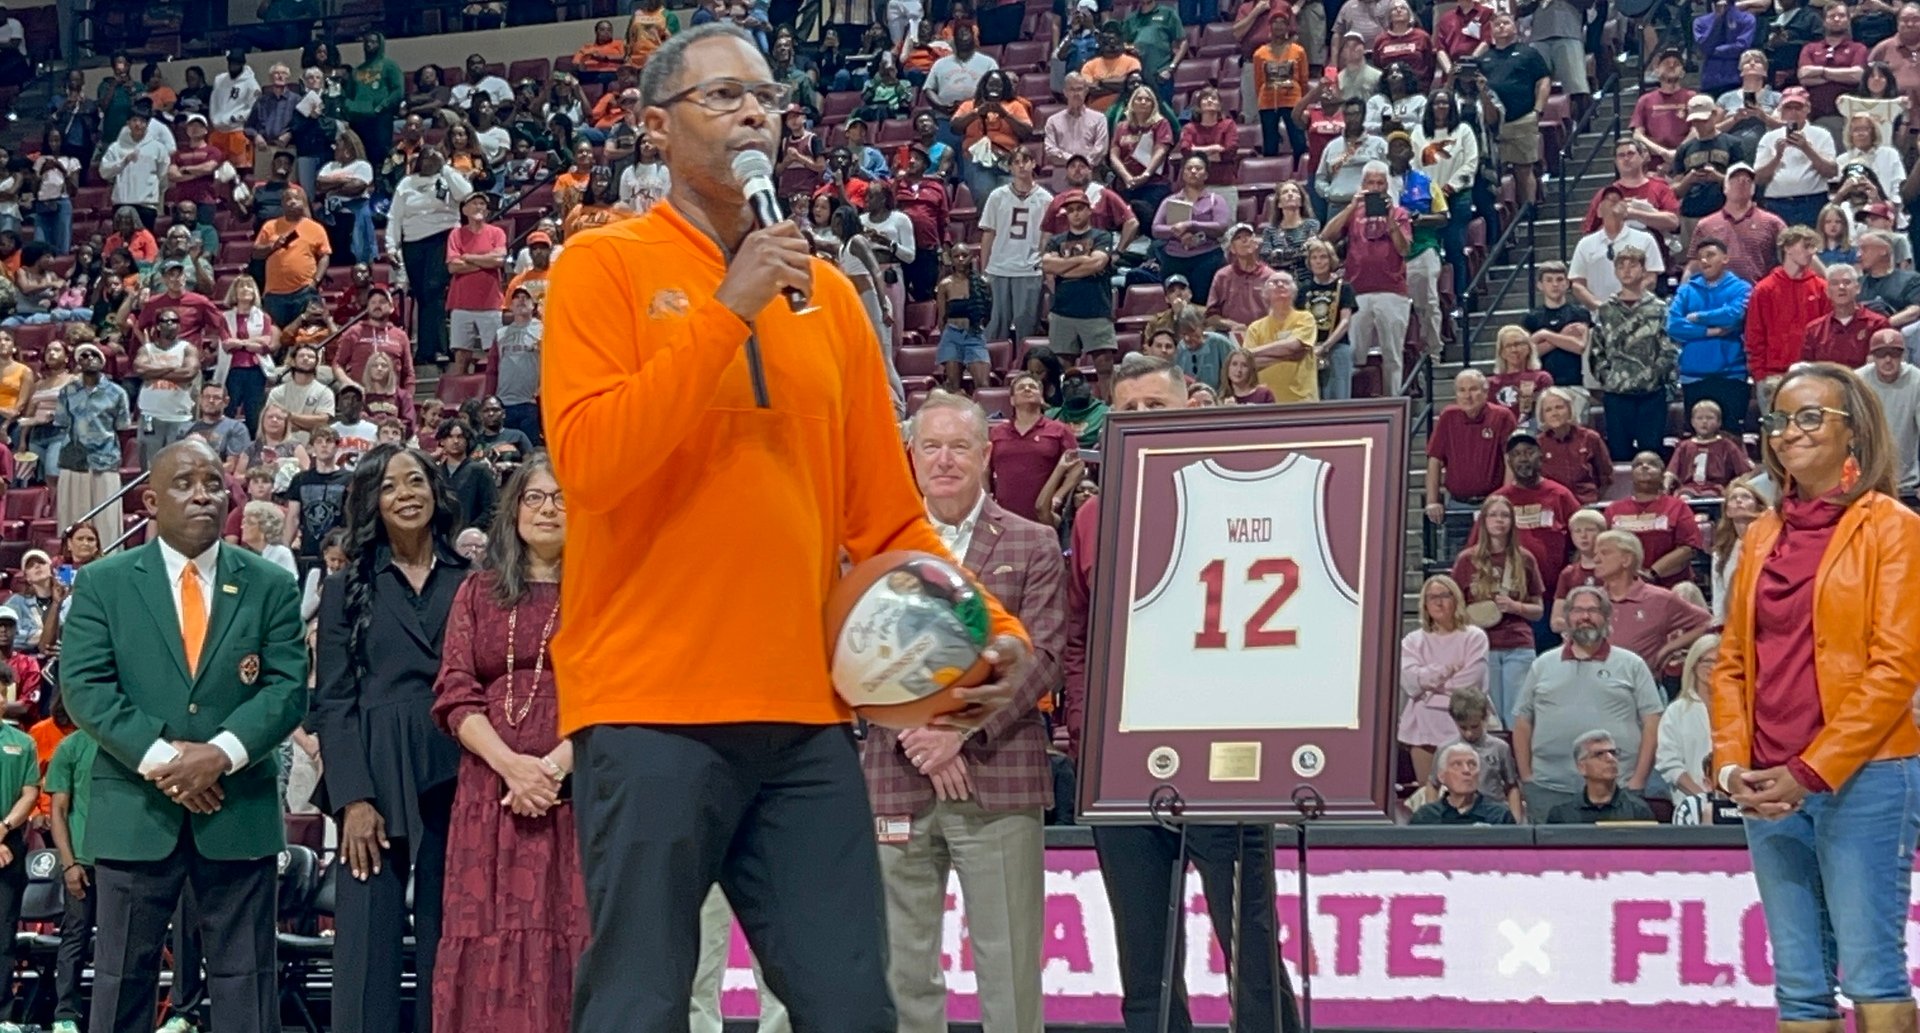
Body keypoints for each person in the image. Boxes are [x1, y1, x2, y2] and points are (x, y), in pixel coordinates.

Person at [542, 25, 1029, 1033]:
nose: (754, 113)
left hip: (804, 718)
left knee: (855, 1004)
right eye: (722, 97)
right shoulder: (602, 267)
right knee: (637, 1001)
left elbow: (884, 515)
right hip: (648, 708)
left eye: (765, 96)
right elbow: (591, 462)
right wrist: (729, 308)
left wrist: (977, 659)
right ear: (655, 129)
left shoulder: (835, 298)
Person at [1060, 354, 1303, 1033]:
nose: (1139, 423)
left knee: (1250, 950)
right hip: (1119, 766)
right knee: (1144, 962)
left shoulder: (1244, 503)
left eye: (1155, 409)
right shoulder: (1091, 517)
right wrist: (1084, 733)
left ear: (1192, 410)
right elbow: (1078, 636)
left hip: (1224, 758)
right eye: (1127, 411)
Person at [59, 438, 305, 1033]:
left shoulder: (270, 583)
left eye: (214, 482)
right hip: (135, 810)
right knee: (120, 982)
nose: (203, 494)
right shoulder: (102, 582)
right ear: (149, 500)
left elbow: (287, 689)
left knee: (249, 982)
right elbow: (86, 689)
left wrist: (219, 755)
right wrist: (170, 762)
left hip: (238, 809)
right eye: (185, 483)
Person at [1711, 362, 1920, 1033]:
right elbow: (1733, 663)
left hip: (1867, 776)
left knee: (1871, 973)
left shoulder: (1894, 527)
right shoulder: (1761, 533)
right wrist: (1731, 767)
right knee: (1798, 987)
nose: (1788, 433)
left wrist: (1808, 772)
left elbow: (1896, 668)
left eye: (1809, 417)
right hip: (1766, 783)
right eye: (1779, 419)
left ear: (1853, 432)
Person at [869, 393, 1062, 1033]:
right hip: (894, 779)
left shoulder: (1033, 543)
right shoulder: (874, 548)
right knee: (901, 971)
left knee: (1008, 969)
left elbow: (1040, 652)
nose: (944, 459)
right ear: (912, 457)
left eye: (959, 446)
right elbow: (854, 655)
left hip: (1000, 779)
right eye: (931, 446)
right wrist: (918, 737)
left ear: (986, 455)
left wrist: (953, 731)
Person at [315, 445, 470, 1033]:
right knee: (365, 947)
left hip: (458, 772)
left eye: (416, 481)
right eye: (388, 486)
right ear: (372, 505)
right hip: (373, 776)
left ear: (435, 491)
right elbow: (332, 699)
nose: (405, 494)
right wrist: (353, 799)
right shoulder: (344, 586)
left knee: (449, 934)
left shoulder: (472, 581)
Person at [430, 455, 586, 1033]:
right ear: (514, 510)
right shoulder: (478, 591)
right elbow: (453, 692)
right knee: (486, 933)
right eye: (535, 497)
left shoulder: (604, 594)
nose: (548, 509)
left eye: (562, 498)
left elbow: (619, 694)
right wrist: (512, 768)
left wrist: (548, 770)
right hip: (487, 793)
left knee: (570, 930)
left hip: (575, 793)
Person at [1513, 585, 1667, 817]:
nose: (1585, 617)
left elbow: (1652, 724)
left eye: (1593, 610)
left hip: (1618, 789)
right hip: (1549, 788)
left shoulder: (1631, 664)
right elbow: (1523, 723)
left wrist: (1638, 780)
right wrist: (1527, 778)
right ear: (1566, 618)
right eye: (1577, 610)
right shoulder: (1543, 664)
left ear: (1606, 617)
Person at [1451, 495, 1544, 727]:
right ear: (1483, 521)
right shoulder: (1466, 560)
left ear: (1512, 521)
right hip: (1482, 646)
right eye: (1493, 515)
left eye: (1505, 515)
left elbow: (1539, 610)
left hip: (1518, 644)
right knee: (1489, 716)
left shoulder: (1524, 559)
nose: (1499, 520)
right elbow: (1455, 607)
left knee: (1518, 715)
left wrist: (1516, 607)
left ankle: (1518, 760)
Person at [1323, 160, 1413, 395]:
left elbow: (1404, 250)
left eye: (1380, 183)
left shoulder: (1400, 213)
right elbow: (1325, 237)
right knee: (1353, 354)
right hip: (1357, 291)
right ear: (1362, 184)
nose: (1375, 188)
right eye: (1370, 183)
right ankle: (1355, 402)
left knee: (1392, 354)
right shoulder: (1353, 212)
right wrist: (1351, 207)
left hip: (1392, 290)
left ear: (1386, 186)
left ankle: (1395, 402)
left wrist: (1391, 221)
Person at [1588, 247, 1679, 461]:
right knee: (1619, 453)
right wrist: (1609, 378)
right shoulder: (1606, 310)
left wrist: (1655, 375)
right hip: (1617, 394)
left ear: (1643, 269)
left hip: (1651, 393)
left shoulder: (1659, 308)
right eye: (1621, 266)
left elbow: (1669, 347)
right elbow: (1596, 350)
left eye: (1632, 265)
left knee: (1651, 454)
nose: (1626, 271)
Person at [1400, 574, 1490, 784]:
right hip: (1423, 724)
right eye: (1432, 597)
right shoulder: (1413, 641)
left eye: (1444, 596)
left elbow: (1469, 685)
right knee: (1429, 793)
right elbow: (1410, 681)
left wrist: (1429, 688)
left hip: (1463, 721)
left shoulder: (1474, 637)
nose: (1438, 602)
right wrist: (1446, 670)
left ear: (1456, 599)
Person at [1668, 237, 1755, 435]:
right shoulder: (1687, 290)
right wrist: (1711, 331)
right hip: (1694, 376)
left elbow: (1733, 316)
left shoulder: (1742, 288)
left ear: (1725, 258)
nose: (1705, 261)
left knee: (1730, 436)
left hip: (1730, 374)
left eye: (1710, 255)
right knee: (1698, 439)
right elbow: (1674, 326)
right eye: (1700, 258)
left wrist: (1698, 317)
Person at [45, 698, 95, 1033]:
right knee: (74, 939)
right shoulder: (70, 747)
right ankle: (66, 1015)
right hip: (82, 864)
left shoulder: (131, 749)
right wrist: (68, 864)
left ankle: (114, 1012)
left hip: (127, 864)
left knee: (120, 944)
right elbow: (57, 812)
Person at [52, 342, 132, 537]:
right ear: (78, 362)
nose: (90, 359)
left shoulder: (117, 393)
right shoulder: (67, 391)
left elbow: (122, 426)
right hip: (73, 459)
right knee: (73, 517)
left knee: (106, 520)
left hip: (104, 459)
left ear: (102, 361)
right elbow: (62, 422)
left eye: (94, 355)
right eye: (84, 356)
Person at [1657, 634, 1722, 802]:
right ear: (1694, 664)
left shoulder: (1741, 710)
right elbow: (1669, 763)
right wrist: (1702, 798)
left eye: (1718, 661)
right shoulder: (1676, 711)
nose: (1711, 667)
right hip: (1690, 804)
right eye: (1706, 661)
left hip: (1739, 807)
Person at [1542, 730, 1659, 823]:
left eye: (1613, 753)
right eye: (1599, 754)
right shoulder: (1562, 814)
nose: (1610, 759)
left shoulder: (1638, 811)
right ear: (1581, 767)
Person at [1858, 329, 1920, 498]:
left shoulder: (1917, 380)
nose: (1888, 360)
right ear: (1872, 356)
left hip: (1908, 484)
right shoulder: (1859, 381)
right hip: (1865, 482)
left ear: (1903, 355)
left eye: (1894, 354)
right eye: (1881, 354)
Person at [1410, 741, 1516, 825]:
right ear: (1442, 777)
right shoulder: (1426, 817)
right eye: (1457, 764)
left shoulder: (1500, 816)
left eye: (1472, 765)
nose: (1466, 770)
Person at [1666, 399, 1755, 497]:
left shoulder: (1726, 445)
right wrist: (1665, 487)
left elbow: (1744, 471)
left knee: (1710, 496)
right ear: (1692, 422)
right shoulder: (1684, 446)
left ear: (1719, 422)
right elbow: (1671, 472)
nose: (1704, 422)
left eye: (1709, 418)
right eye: (1699, 418)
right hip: (1688, 487)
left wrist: (1732, 486)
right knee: (1683, 497)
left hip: (1716, 488)